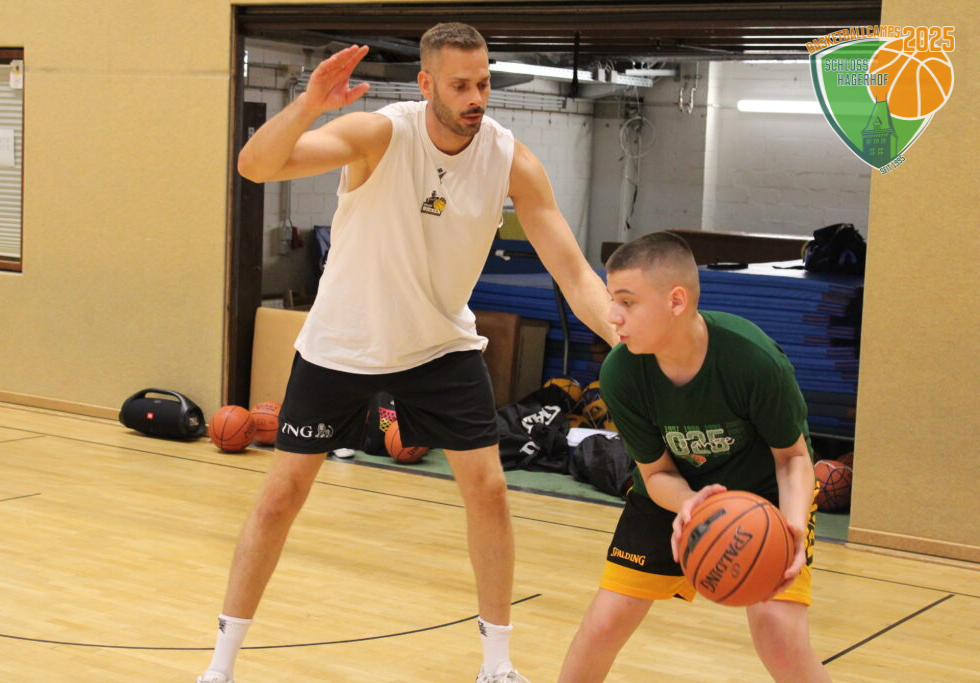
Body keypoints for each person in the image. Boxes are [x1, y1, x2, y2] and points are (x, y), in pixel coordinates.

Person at [198, 22, 615, 683]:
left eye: (483, 83)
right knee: (280, 496)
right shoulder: (380, 135)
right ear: (426, 84)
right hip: (342, 342)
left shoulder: (511, 160)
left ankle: (497, 665)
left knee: (489, 489)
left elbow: (573, 272)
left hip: (438, 345)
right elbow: (256, 165)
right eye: (460, 85)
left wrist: (624, 335)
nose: (476, 97)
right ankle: (220, 666)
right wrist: (308, 104)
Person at [557, 232, 831, 683]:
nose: (612, 315)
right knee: (603, 624)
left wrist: (793, 527)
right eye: (611, 299)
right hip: (672, 495)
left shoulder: (753, 359)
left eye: (627, 302)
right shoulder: (622, 373)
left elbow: (792, 459)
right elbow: (656, 473)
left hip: (765, 495)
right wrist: (691, 504)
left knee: (779, 635)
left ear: (676, 301)